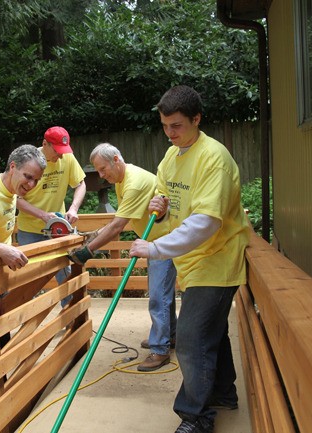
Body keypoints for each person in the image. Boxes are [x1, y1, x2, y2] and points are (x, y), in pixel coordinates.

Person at [129, 85, 249, 433]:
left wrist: (155, 249)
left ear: (197, 119)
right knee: (212, 332)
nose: (170, 133)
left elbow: (206, 222)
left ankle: (196, 416)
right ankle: (224, 394)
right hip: (192, 261)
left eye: (177, 126)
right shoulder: (172, 156)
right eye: (165, 126)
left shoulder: (215, 158)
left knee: (192, 338)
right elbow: (166, 201)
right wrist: (159, 207)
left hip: (217, 260)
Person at [69, 142, 177, 371]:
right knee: (162, 293)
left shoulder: (134, 183)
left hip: (164, 242)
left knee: (159, 297)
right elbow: (122, 218)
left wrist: (88, 251)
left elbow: (118, 226)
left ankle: (160, 350)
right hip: (155, 242)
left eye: (102, 169)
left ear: (116, 160)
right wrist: (94, 234)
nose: (100, 175)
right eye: (97, 171)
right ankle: (168, 337)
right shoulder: (121, 180)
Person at [16, 126, 86, 287]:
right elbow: (15, 198)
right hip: (30, 230)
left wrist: (73, 208)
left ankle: (71, 311)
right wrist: (42, 215)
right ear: (44, 144)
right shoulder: (27, 161)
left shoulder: (67, 157)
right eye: (57, 150)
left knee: (66, 275)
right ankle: (28, 312)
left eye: (63, 150)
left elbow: (80, 184)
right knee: (28, 279)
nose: (60, 155)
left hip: (57, 229)